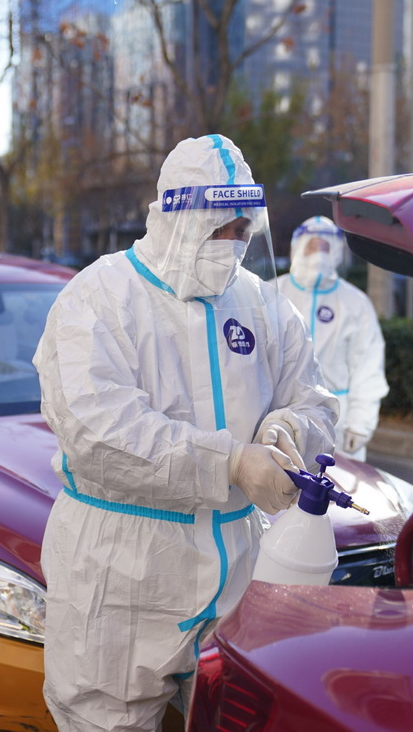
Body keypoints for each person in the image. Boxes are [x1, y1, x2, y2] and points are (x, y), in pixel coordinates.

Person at [33, 134, 338, 732]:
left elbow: (317, 399)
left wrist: (289, 428)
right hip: (119, 572)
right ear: (174, 216)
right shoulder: (99, 298)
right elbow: (99, 433)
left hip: (240, 568)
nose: (232, 244)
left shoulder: (263, 304)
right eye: (218, 228)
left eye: (242, 230)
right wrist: (228, 464)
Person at [275, 215, 389, 460]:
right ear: (298, 248)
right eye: (312, 246)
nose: (319, 254)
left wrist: (361, 423)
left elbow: (367, 366)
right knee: (280, 494)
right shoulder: (272, 292)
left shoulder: (355, 303)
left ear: (338, 252)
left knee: (339, 494)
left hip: (337, 420)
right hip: (279, 418)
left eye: (326, 248)